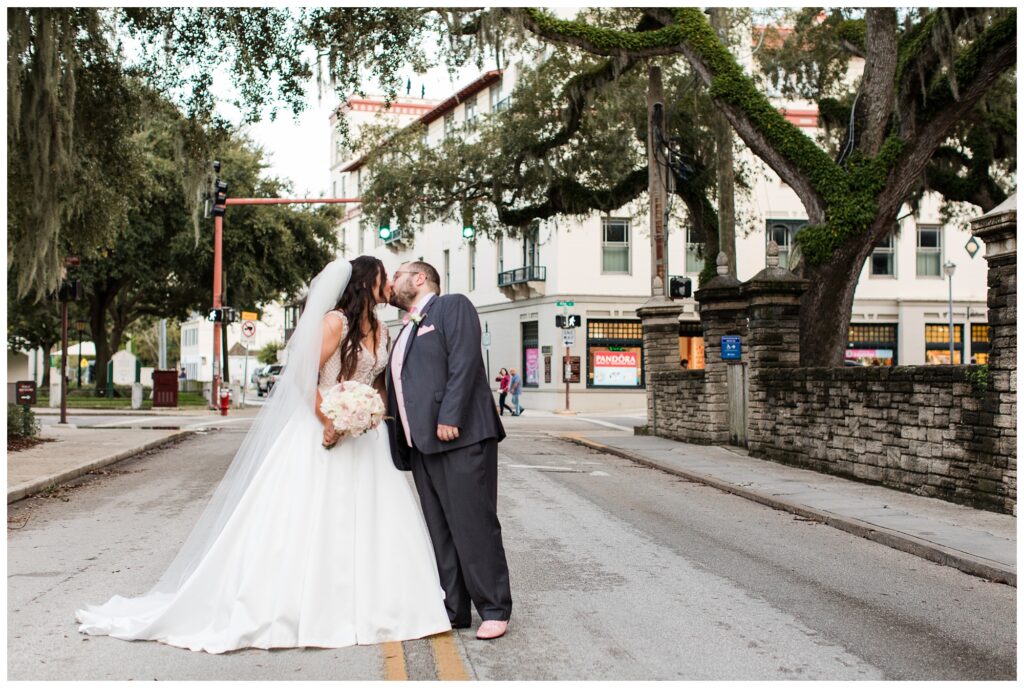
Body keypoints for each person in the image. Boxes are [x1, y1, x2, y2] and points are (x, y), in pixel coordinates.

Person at [75, 256, 450, 654]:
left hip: (364, 439)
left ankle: (381, 602)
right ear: (364, 283)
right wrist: (330, 418)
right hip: (318, 428)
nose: (389, 283)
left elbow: (378, 381)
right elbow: (304, 376)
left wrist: (371, 412)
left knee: (374, 521)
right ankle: (304, 605)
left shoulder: (382, 327)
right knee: (311, 520)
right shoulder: (334, 323)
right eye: (382, 277)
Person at [386, 261, 513, 640]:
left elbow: (464, 362)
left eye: (397, 275)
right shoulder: (405, 328)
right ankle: (453, 609)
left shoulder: (452, 306)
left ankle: (494, 608)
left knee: (474, 524)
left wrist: (450, 415)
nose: (392, 283)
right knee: (441, 531)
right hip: (421, 445)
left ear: (420, 278)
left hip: (458, 436)